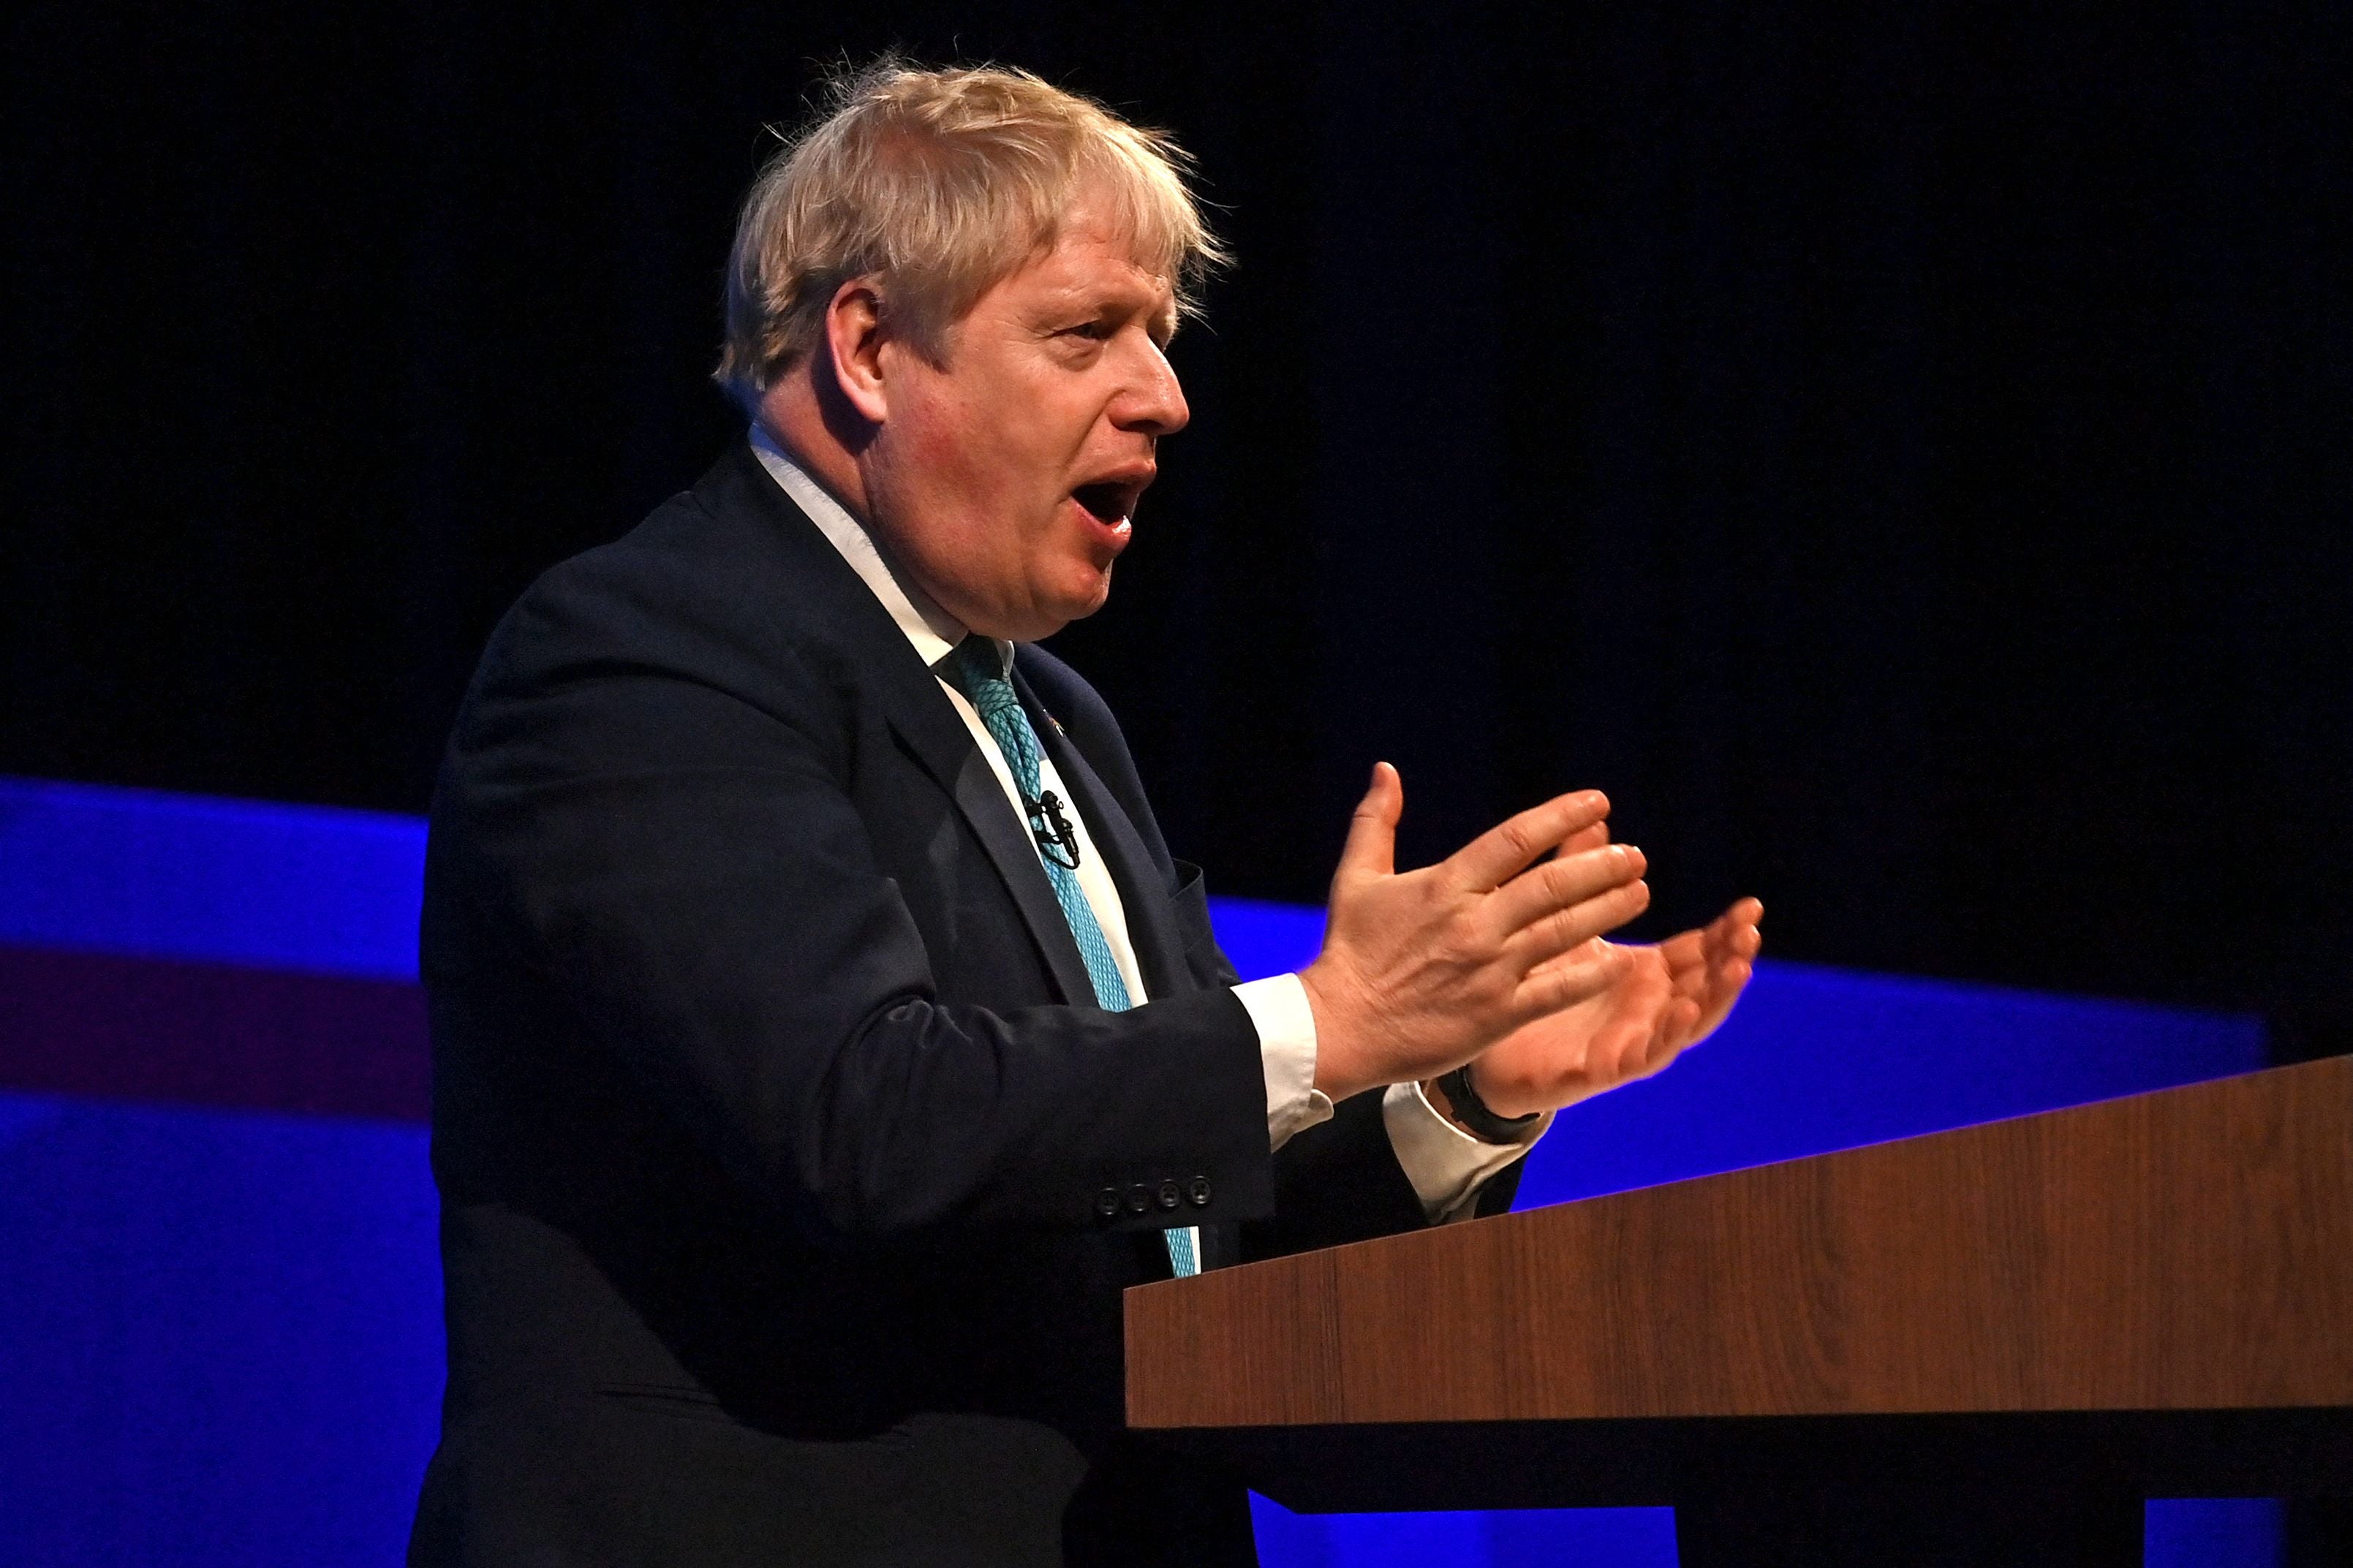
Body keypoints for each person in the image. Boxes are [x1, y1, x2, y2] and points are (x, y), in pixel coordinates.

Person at [406, 60, 1762, 1568]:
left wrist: (1453, 1096)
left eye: (1163, 340)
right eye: (1084, 334)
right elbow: (866, 1118)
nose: (1165, 396)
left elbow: (1179, 1256)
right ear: (867, 346)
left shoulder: (1052, 715)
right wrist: (1327, 1020)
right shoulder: (647, 649)